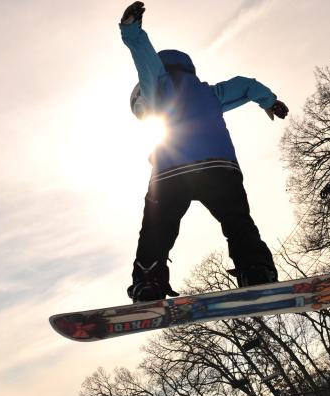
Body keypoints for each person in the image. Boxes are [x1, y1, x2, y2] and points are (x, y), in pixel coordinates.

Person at [120, 1, 289, 302]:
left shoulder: (155, 85)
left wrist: (131, 30)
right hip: (220, 168)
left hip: (172, 172)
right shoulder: (211, 92)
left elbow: (145, 60)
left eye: (140, 110)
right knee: (238, 221)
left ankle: (148, 282)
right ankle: (256, 271)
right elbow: (245, 84)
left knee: (156, 230)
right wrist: (268, 101)